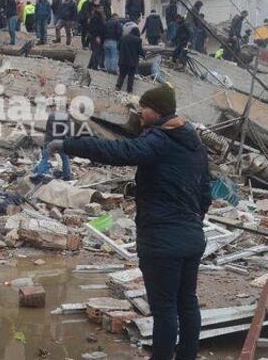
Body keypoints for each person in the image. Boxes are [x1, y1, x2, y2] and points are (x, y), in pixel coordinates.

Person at [50, 85, 210, 360]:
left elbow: (120, 151)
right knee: (187, 303)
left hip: (163, 238)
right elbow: (205, 191)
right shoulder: (194, 145)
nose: (139, 113)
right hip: (192, 236)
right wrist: (194, 220)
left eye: (144, 108)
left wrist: (69, 144)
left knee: (165, 309)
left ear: (157, 110)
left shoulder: (160, 139)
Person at [44, 101, 72, 181]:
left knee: (45, 157)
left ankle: (39, 172)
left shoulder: (51, 115)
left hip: (49, 139)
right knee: (65, 158)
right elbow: (68, 131)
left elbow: (47, 128)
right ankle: (67, 176)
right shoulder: (66, 117)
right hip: (59, 142)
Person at [117, 27, 145, 93]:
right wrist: (144, 55)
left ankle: (118, 87)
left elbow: (118, 48)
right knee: (131, 76)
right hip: (132, 61)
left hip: (122, 60)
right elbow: (140, 51)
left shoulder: (123, 38)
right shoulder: (138, 40)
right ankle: (129, 90)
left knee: (122, 75)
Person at [87, 5, 105, 71]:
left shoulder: (98, 16)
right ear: (97, 9)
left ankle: (90, 65)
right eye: (101, 8)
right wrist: (97, 36)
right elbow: (95, 28)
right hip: (96, 36)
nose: (102, 10)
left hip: (97, 36)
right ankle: (94, 66)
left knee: (95, 51)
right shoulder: (96, 17)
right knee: (96, 51)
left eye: (102, 8)